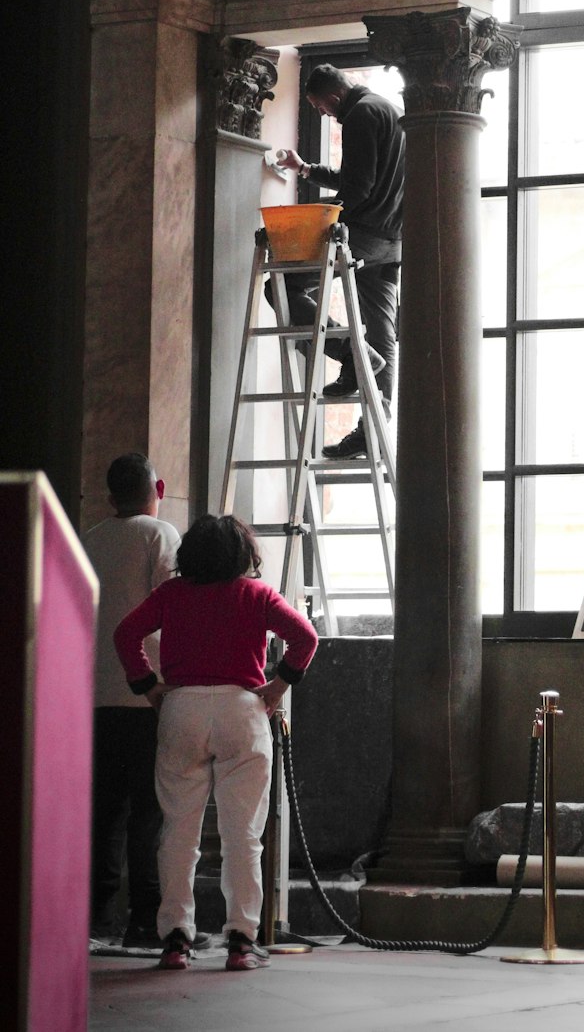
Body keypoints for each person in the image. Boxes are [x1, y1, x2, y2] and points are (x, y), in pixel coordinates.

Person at [113, 514, 318, 972]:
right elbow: (305, 637)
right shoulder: (257, 594)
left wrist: (148, 686)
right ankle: (242, 941)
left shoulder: (170, 594)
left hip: (181, 709)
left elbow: (126, 634)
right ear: (243, 555)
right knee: (243, 835)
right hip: (242, 711)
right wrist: (278, 685)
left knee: (178, 833)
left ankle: (176, 940)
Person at [274, 64, 404, 459]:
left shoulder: (361, 115)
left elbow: (357, 189)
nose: (322, 114)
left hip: (359, 237)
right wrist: (307, 170)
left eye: (319, 107)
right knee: (382, 332)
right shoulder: (389, 111)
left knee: (281, 288)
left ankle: (350, 351)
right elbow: (364, 178)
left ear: (332, 97)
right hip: (392, 240)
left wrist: (317, 217)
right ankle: (374, 426)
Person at [82, 453, 181, 947]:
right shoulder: (159, 536)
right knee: (150, 811)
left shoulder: (90, 539)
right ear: (158, 488)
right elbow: (172, 609)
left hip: (94, 695)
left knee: (105, 812)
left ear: (108, 496)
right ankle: (144, 920)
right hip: (148, 692)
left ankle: (96, 920)